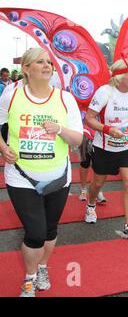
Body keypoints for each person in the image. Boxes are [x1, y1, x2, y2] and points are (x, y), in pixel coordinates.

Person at [0, 48, 83, 297]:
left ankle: (43, 267)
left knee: (49, 230)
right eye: (40, 62)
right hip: (21, 176)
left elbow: (78, 140)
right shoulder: (11, 96)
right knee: (35, 233)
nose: (47, 65)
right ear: (26, 68)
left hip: (58, 177)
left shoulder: (65, 99)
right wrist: (4, 149)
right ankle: (29, 277)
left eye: (49, 62)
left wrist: (59, 128)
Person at [84, 58, 128, 240]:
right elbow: (89, 118)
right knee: (97, 183)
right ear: (119, 77)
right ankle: (91, 204)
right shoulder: (105, 92)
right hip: (104, 147)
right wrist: (108, 130)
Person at [78, 123, 106, 203]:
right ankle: (83, 189)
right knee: (85, 162)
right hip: (86, 131)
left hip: (102, 134)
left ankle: (97, 190)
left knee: (100, 165)